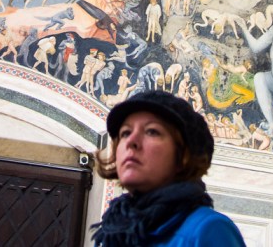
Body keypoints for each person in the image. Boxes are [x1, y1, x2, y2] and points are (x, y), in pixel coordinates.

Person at [92, 90, 246, 246]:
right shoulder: (114, 232)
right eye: (125, 133)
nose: (131, 141)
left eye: (152, 131)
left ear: (183, 153)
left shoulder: (210, 230)